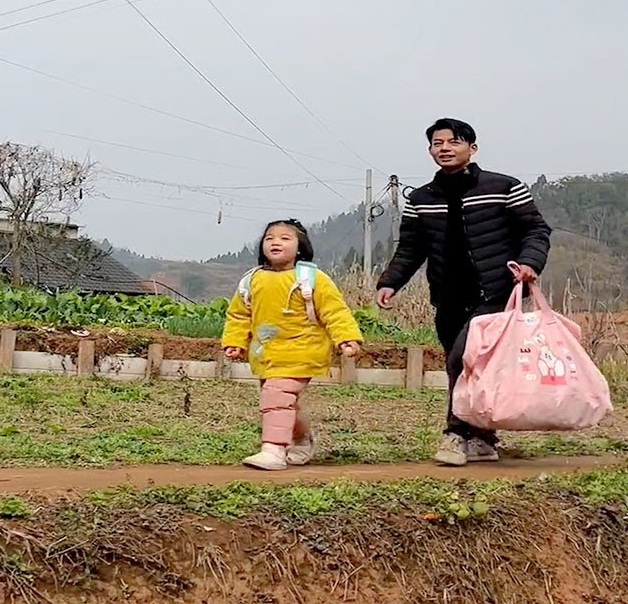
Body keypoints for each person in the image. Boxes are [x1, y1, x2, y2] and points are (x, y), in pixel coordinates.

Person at [376, 119, 551, 466]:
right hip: (447, 295)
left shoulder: (505, 187)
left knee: (462, 357)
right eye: (437, 143)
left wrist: (530, 263)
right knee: (469, 367)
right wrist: (390, 281)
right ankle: (484, 439)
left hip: (496, 291)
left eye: (453, 142)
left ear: (472, 148)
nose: (444, 148)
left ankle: (456, 435)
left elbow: (536, 229)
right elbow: (411, 248)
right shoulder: (421, 199)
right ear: (429, 151)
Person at [222, 219, 364, 471]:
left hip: (303, 350)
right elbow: (240, 315)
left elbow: (334, 311)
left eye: (285, 238)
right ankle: (300, 440)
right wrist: (235, 342)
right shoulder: (251, 280)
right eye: (269, 238)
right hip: (267, 353)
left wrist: (346, 338)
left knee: (277, 396)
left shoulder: (312, 278)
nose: (275, 242)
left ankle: (273, 450)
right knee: (284, 401)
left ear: (300, 247)